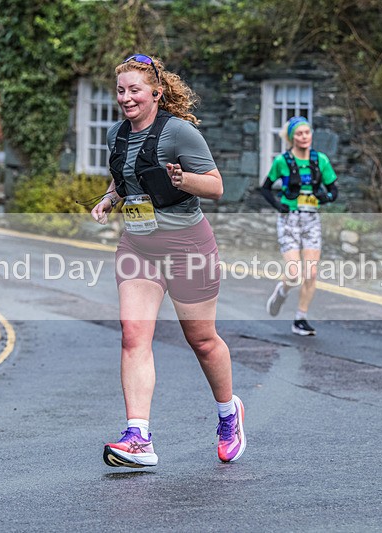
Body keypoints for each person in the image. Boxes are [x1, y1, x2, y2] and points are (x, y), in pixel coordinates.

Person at [91, 54, 246, 468]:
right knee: (132, 335)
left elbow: (216, 187)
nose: (126, 97)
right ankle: (138, 436)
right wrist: (109, 198)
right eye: (121, 90)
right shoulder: (116, 134)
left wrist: (183, 179)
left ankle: (229, 413)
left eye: (135, 90)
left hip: (187, 247)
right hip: (139, 247)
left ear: (156, 93)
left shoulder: (179, 133)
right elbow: (125, 175)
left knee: (202, 340)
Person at [259, 116, 339, 336]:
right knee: (294, 274)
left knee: (311, 273)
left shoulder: (320, 160)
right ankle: (282, 291)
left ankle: (300, 319)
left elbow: (334, 190)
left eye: (307, 132)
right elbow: (265, 188)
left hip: (311, 219)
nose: (304, 137)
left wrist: (326, 197)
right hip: (289, 220)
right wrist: (278, 206)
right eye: (299, 133)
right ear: (291, 137)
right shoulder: (282, 162)